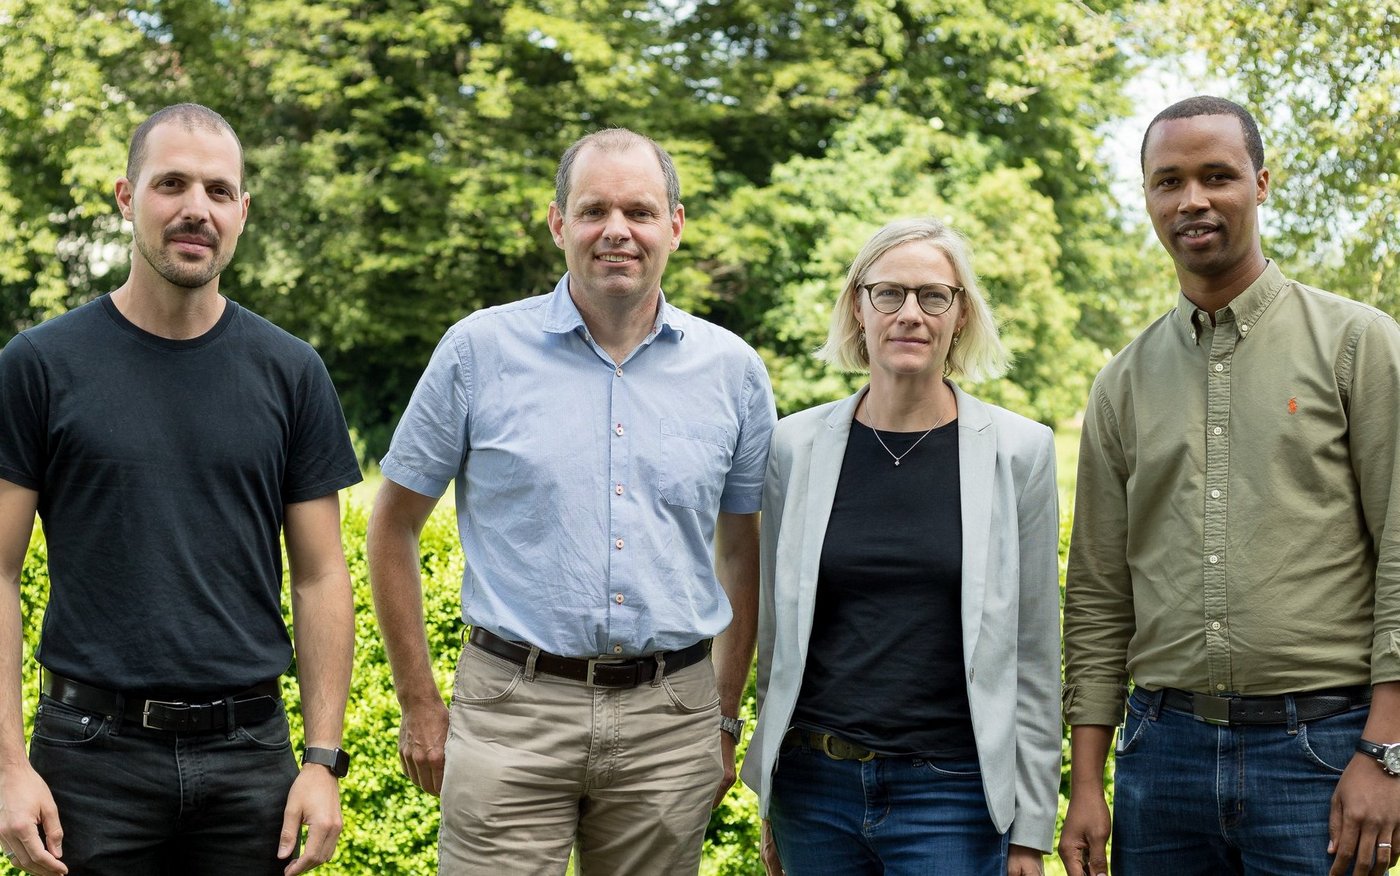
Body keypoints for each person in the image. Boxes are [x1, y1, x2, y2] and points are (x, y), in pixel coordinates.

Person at [366, 127, 776, 874]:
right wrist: (419, 702)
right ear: (559, 223)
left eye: (639, 211)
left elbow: (742, 553)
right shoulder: (477, 352)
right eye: (594, 210)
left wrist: (721, 714)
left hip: (670, 723)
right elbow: (392, 528)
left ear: (675, 226)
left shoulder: (734, 372)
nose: (617, 230)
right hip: (511, 713)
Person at [0, 104, 360, 876]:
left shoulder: (293, 373)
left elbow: (322, 575)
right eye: (171, 184)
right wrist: (6, 767)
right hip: (89, 761)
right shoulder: (39, 366)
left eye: (219, 191)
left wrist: (322, 761)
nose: (197, 207)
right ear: (126, 197)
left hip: (250, 759)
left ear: (242, 213)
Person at [1059, 95, 1400, 876]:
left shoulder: (1357, 346)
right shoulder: (1121, 384)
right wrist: (1086, 784)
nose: (1192, 200)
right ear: (1148, 198)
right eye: (1168, 182)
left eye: (1217, 176)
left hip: (1321, 753)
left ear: (1262, 183)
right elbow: (1099, 594)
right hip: (1160, 757)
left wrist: (1386, 750)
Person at [741, 217, 1061, 876]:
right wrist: (773, 796)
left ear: (960, 315)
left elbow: (1034, 653)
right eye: (888, 293)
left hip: (953, 797)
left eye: (933, 296)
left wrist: (1031, 830)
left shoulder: (1020, 452)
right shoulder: (794, 447)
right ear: (858, 308)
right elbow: (777, 637)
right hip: (814, 793)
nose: (910, 313)